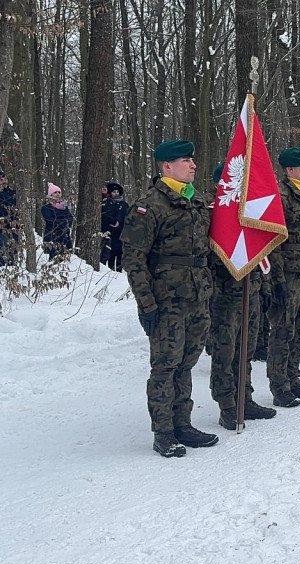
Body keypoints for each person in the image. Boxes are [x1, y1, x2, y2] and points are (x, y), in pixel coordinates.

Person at [121, 139, 217, 457]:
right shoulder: (149, 205)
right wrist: (146, 304)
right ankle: (163, 432)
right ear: (167, 167)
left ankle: (182, 424)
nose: (193, 165)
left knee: (186, 364)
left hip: (197, 297)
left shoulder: (197, 202)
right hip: (166, 302)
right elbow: (134, 260)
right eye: (186, 160)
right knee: (165, 366)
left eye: (192, 159)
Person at [205, 164, 277, 430]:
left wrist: (265, 287)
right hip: (225, 295)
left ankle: (245, 398)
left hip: (252, 290)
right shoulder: (214, 215)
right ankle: (227, 405)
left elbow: (260, 255)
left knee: (246, 350)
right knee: (226, 352)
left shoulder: (249, 215)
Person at [267, 147, 300, 407]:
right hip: (287, 271)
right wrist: (276, 278)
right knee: (283, 330)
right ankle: (279, 385)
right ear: (290, 170)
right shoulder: (281, 195)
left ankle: (293, 378)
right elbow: (274, 240)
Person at [100, 181, 129, 271]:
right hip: (110, 231)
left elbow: (127, 215)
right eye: (114, 192)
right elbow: (105, 214)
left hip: (121, 232)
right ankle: (110, 270)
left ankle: (119, 270)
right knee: (110, 253)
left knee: (120, 253)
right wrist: (113, 221)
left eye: (117, 192)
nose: (116, 194)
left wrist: (120, 221)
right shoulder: (107, 203)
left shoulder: (124, 204)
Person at [41, 183, 74, 259]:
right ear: (50, 194)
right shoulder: (46, 207)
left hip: (65, 237)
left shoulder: (64, 207)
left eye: (59, 192)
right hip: (52, 237)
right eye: (55, 192)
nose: (58, 194)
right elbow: (50, 221)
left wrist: (66, 223)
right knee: (54, 260)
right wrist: (64, 222)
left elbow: (71, 218)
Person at [0, 166, 20, 267]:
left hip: (13, 227)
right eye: (1, 179)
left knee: (12, 255)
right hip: (1, 228)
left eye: (5, 178)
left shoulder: (13, 193)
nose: (3, 181)